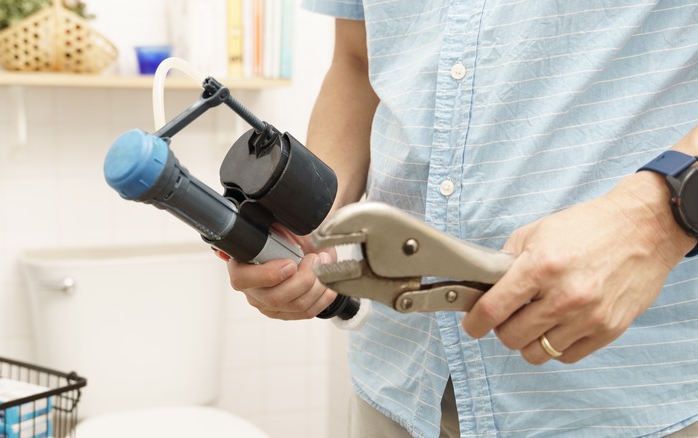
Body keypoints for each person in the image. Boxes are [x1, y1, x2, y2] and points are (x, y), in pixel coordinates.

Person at [224, 1, 698, 436]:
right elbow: (357, 61)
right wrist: (310, 217)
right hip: (397, 381)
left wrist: (652, 224)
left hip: (621, 393)